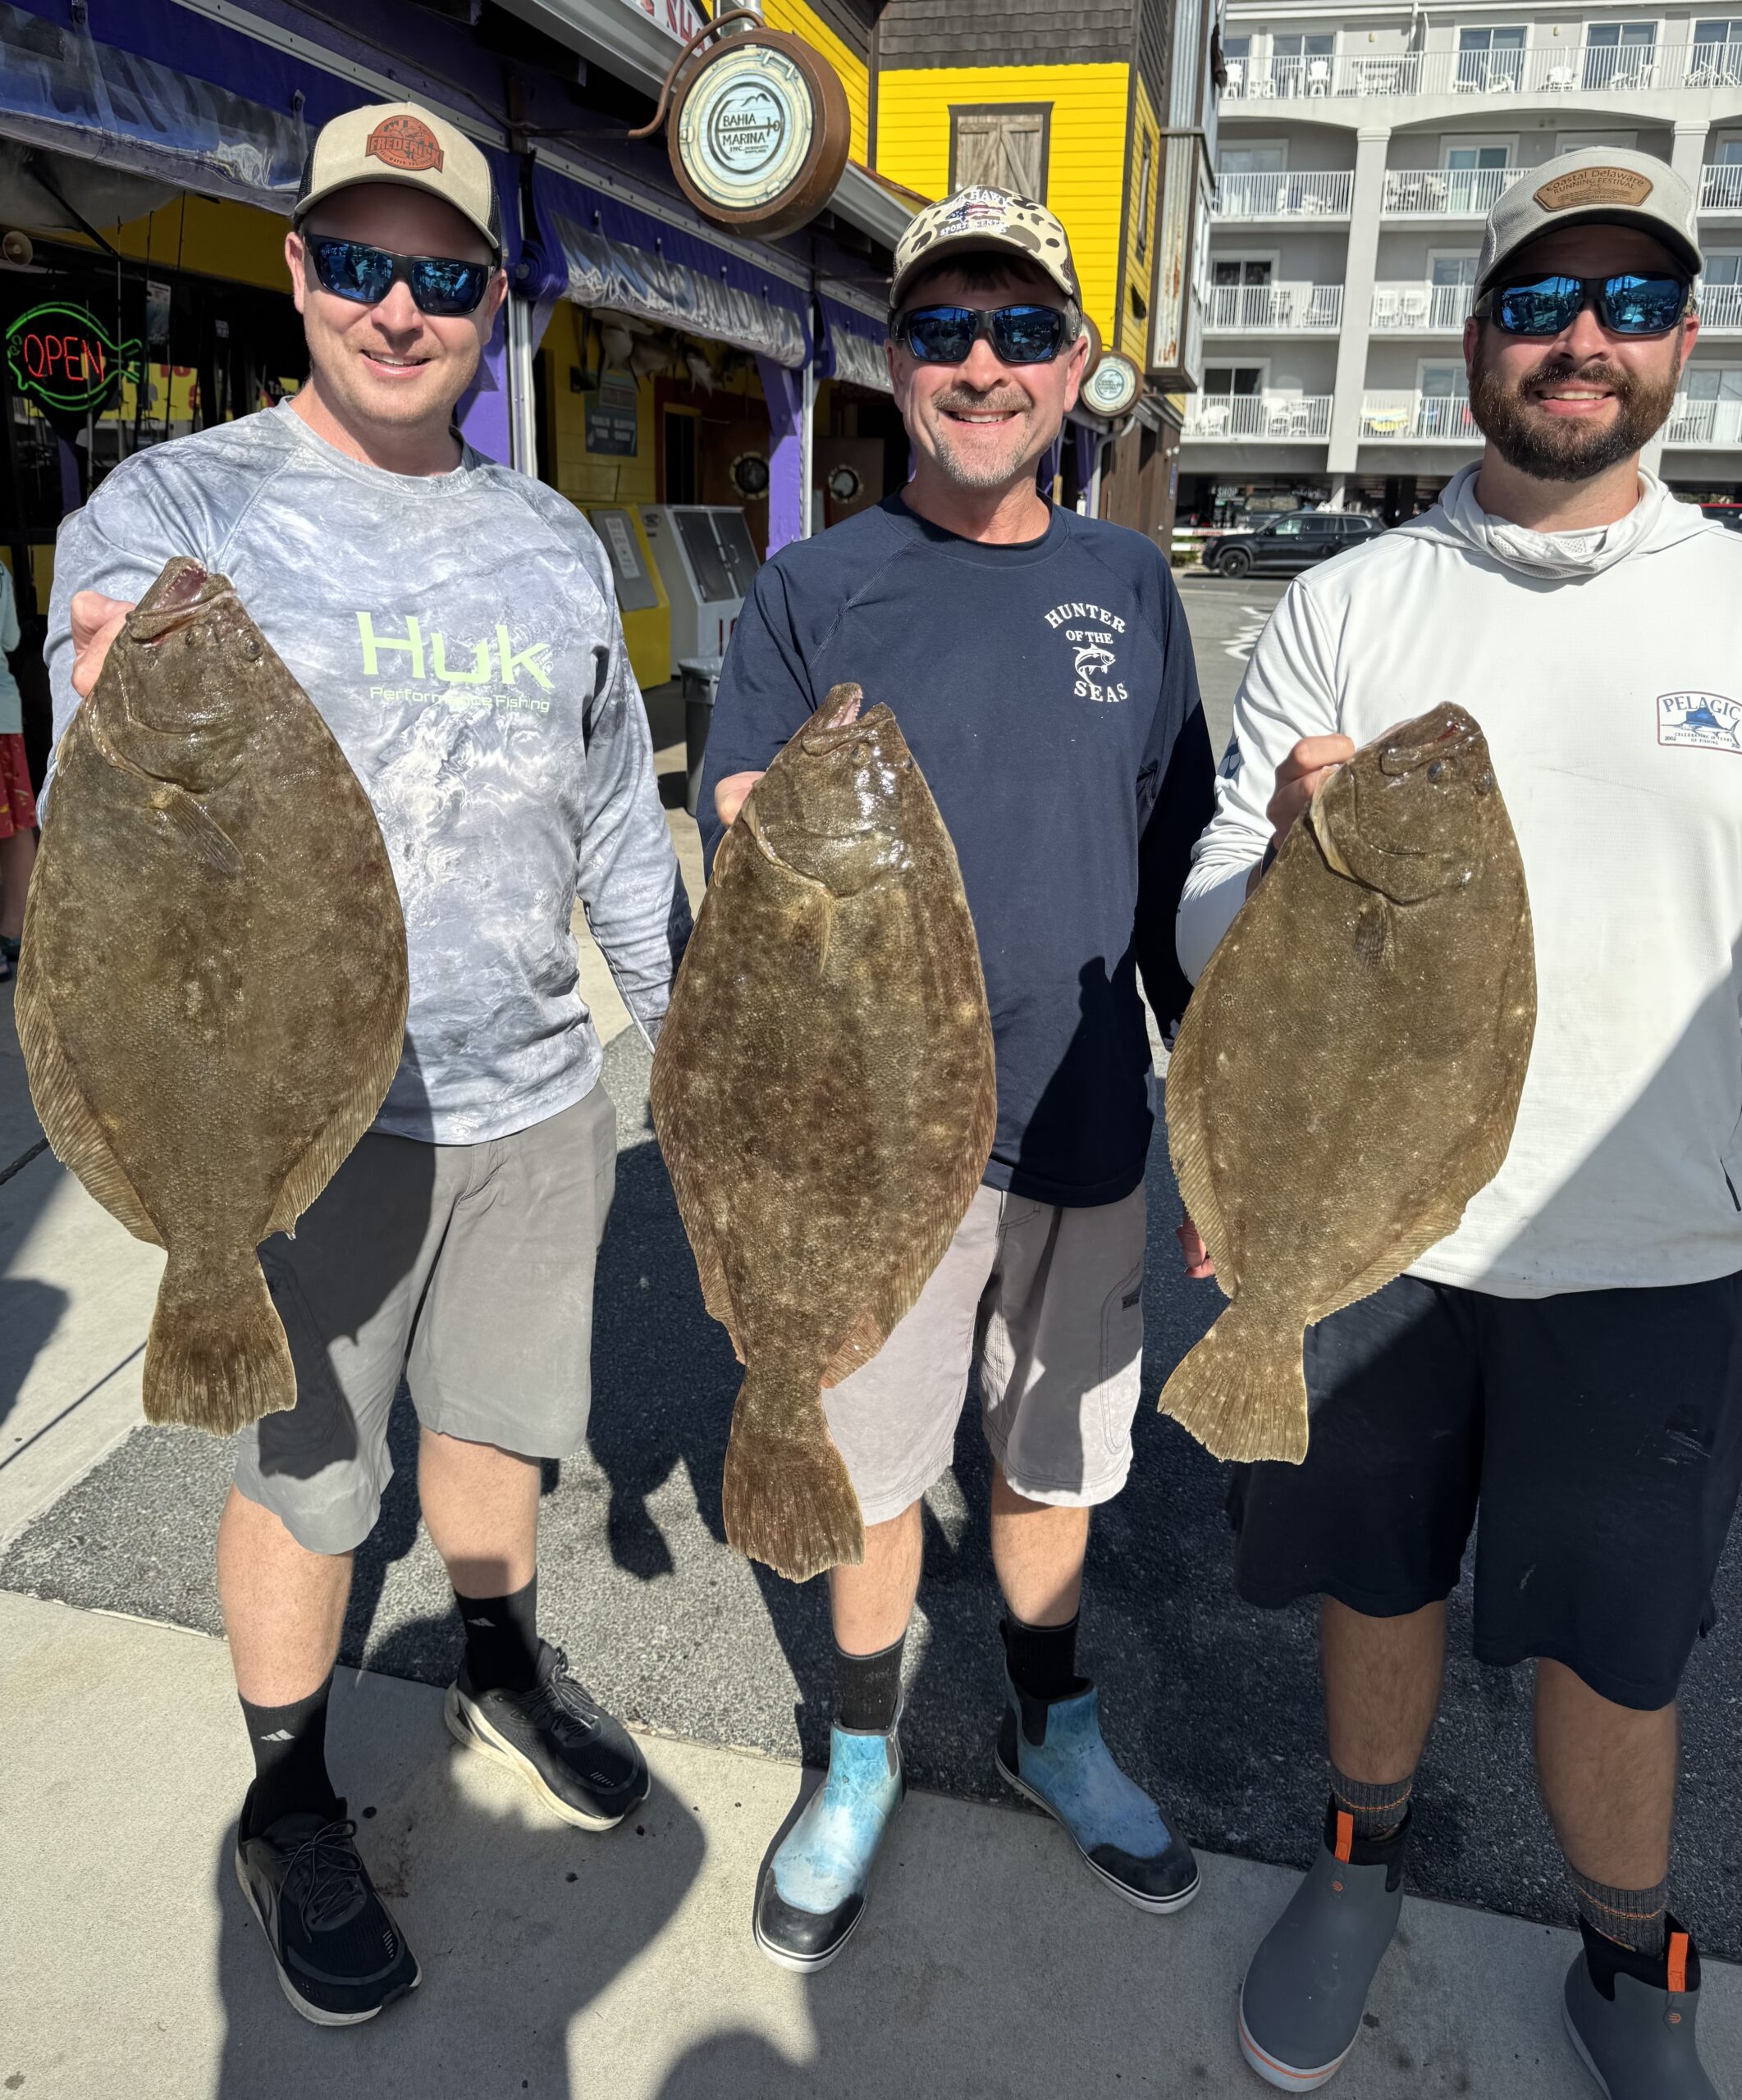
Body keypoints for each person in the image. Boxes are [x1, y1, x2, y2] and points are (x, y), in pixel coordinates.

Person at [48, 103, 689, 2025]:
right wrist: (103, 671)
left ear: (492, 302)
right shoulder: (180, 509)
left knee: (496, 1428)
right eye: (356, 264)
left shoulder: (552, 538)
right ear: (296, 271)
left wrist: (683, 1029)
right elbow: (100, 759)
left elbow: (612, 817)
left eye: (439, 276)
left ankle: (497, 1655)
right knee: (312, 1472)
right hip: (294, 1119)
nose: (396, 308)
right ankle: (287, 1792)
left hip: (535, 1091)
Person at [1177, 148, 1740, 2098]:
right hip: (1373, 1229)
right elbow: (1205, 925)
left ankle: (1628, 1963)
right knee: (1375, 1577)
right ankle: (1356, 1864)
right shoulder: (1346, 605)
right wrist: (1281, 859)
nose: (1580, 338)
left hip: (1657, 1238)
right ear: (1473, 335)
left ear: (1681, 337)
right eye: (1535, 300)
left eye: (1626, 301)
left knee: (1617, 1643)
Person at [700, 186, 1217, 1971]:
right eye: (939, 330)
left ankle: (1049, 1725)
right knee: (866, 1464)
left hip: (1081, 1114)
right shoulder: (811, 585)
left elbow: (1174, 870)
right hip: (857, 1137)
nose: (980, 364)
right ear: (890, 363)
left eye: (1018, 330)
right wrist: (746, 821)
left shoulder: (1128, 584)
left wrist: (1218, 1122)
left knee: (1051, 1457)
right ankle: (859, 1751)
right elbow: (738, 841)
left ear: (1075, 367)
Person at [0, 558, 36, 984]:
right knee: (16, 821)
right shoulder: (1, 571)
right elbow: (10, 639)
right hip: (5, 714)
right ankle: (16, 932)